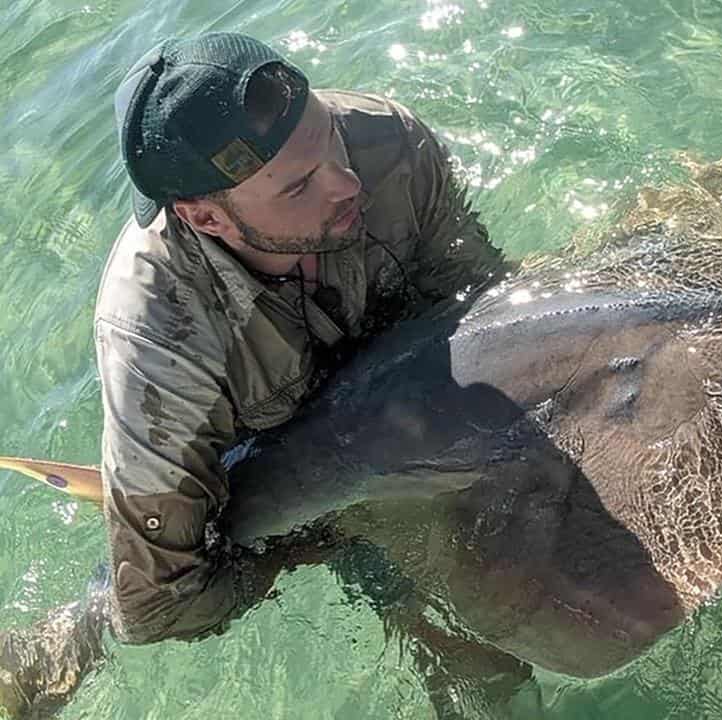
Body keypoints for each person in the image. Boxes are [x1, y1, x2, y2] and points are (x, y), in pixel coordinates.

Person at [0, 32, 519, 717]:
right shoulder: (156, 332)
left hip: (397, 380)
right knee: (478, 665)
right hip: (267, 454)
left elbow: (485, 313)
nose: (347, 181)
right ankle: (55, 645)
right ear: (206, 217)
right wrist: (321, 534)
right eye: (300, 185)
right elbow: (161, 606)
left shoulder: (384, 141)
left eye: (328, 140)